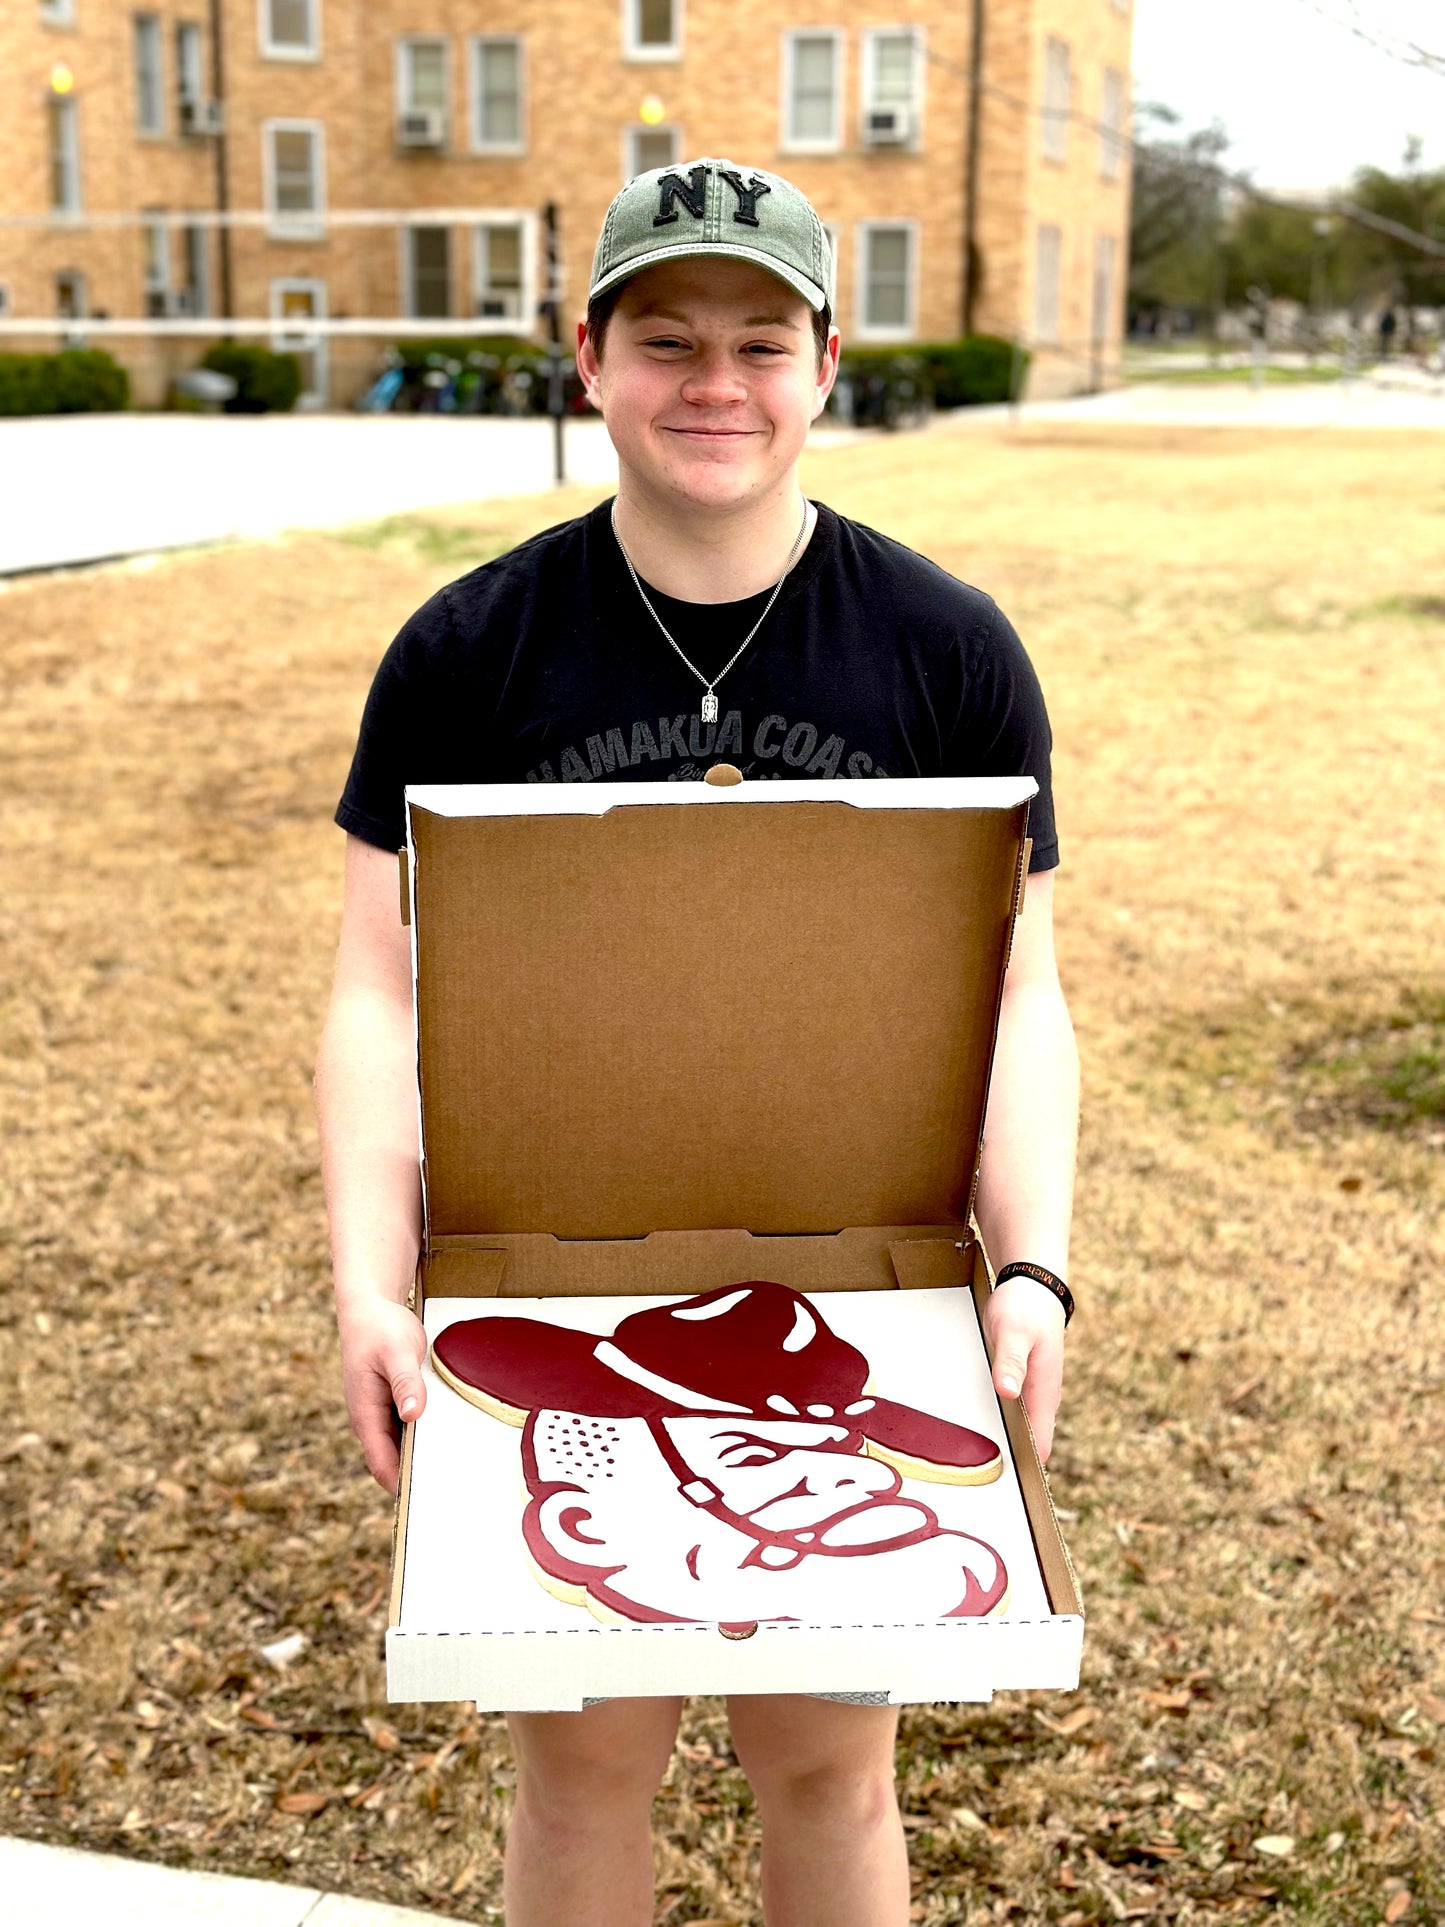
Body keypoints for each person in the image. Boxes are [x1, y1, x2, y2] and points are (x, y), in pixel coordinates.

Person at [316, 157, 1079, 1927]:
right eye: (664, 337)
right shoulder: (465, 649)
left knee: (829, 1764)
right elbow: (375, 985)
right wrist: (372, 1285)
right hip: (543, 1277)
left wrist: (1030, 1273)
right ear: (585, 356)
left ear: (826, 365)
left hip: (852, 1284)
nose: (711, 385)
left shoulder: (949, 647)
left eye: (759, 339)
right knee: (581, 1772)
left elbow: (1017, 986)